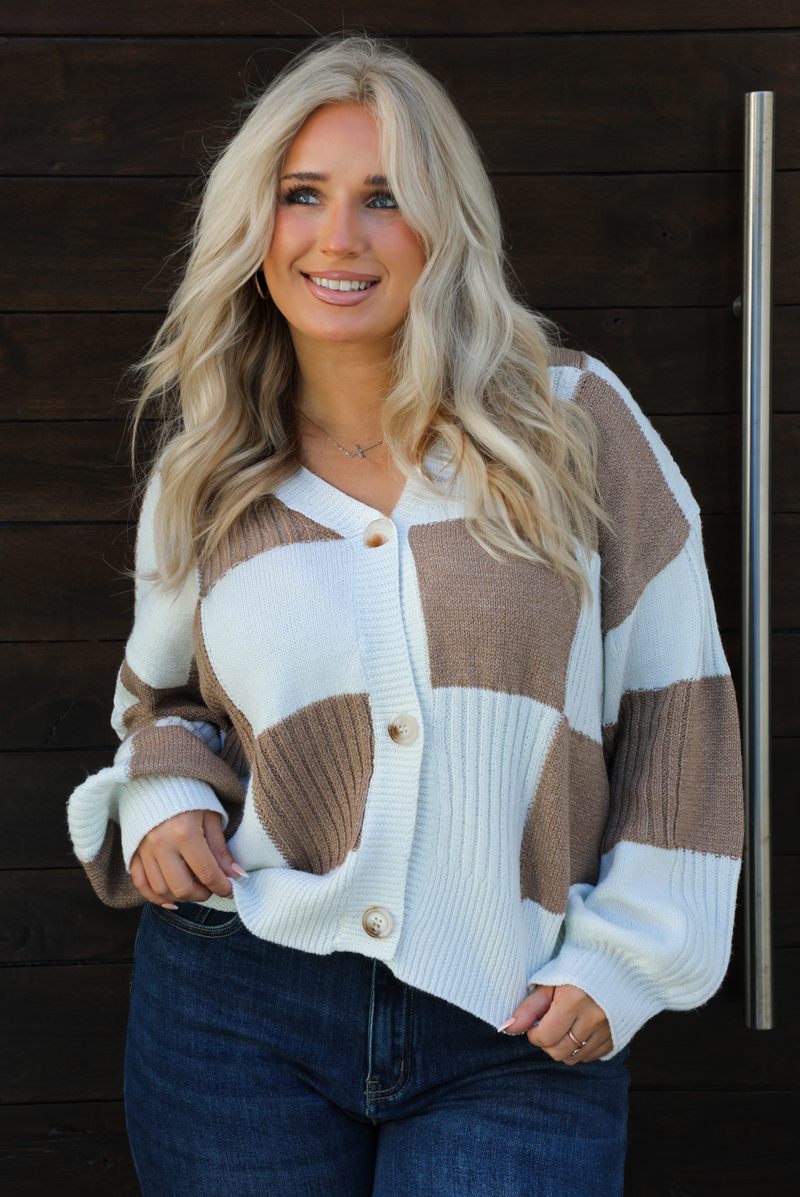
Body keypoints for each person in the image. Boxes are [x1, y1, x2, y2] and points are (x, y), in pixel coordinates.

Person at [67, 35, 743, 1197]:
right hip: (240, 1002)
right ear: (255, 225)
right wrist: (168, 794)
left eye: (384, 197)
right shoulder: (210, 467)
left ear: (444, 225)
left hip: (516, 1014)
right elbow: (160, 701)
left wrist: (630, 961)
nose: (338, 237)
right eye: (302, 197)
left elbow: (677, 704)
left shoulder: (570, 424)